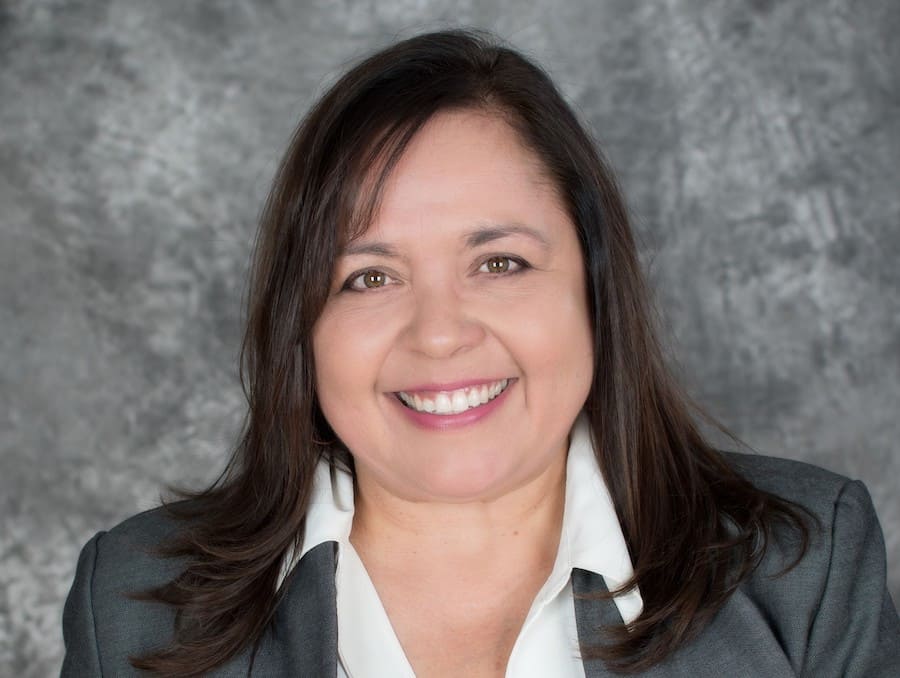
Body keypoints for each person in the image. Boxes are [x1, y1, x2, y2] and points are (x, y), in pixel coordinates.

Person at [61, 29, 900, 677]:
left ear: (594, 293)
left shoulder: (802, 569)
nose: (439, 333)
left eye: (499, 264)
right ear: (301, 326)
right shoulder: (132, 603)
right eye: (369, 277)